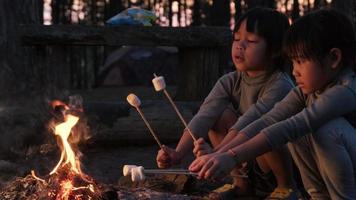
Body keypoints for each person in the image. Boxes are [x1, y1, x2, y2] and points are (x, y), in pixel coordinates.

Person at [189, 9, 356, 200]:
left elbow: (292, 126)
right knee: (297, 130)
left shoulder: (346, 90)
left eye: (300, 61)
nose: (295, 71)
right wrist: (219, 154)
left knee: (324, 129)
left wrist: (232, 157)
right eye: (293, 62)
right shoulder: (307, 89)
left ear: (334, 58)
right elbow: (269, 119)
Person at [156, 7, 298, 199]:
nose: (240, 46)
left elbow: (252, 121)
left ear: (274, 50)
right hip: (239, 158)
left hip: (275, 161)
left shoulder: (280, 84)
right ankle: (240, 184)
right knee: (218, 115)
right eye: (237, 39)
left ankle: (286, 187)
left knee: (271, 128)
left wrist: (216, 154)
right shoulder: (229, 80)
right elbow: (204, 115)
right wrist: (178, 152)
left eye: (251, 41)